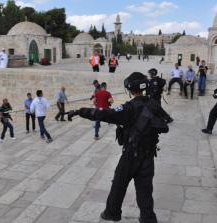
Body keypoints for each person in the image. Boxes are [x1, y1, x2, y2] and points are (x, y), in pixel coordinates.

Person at [67, 72, 173, 223]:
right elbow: (165, 121)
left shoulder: (128, 108)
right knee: (145, 189)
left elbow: (103, 114)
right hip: (149, 155)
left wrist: (79, 111)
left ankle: (112, 212)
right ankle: (148, 218)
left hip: (130, 155)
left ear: (130, 89)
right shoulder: (153, 105)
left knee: (119, 183)